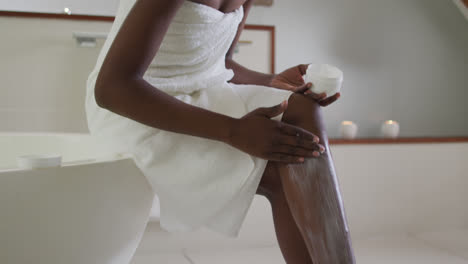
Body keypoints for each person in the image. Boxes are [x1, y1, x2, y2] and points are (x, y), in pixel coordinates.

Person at [85, 0, 354, 263]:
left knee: (303, 109)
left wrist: (272, 82)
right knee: (284, 170)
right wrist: (233, 131)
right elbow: (112, 88)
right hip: (138, 106)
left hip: (205, 92)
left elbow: (221, 62)